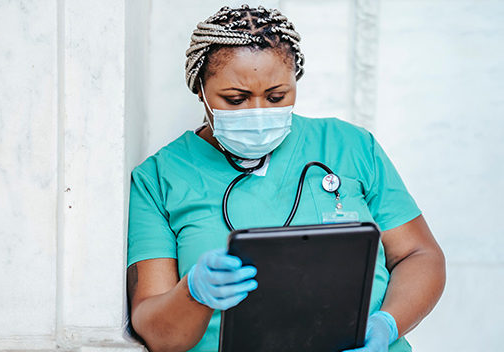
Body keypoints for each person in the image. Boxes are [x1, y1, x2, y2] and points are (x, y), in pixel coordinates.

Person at [126, 5, 446, 352]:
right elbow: (157, 334)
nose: (259, 114)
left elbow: (419, 255)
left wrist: (387, 324)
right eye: (235, 99)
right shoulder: (160, 178)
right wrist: (193, 293)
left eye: (277, 97)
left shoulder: (350, 146)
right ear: (200, 89)